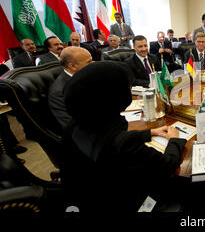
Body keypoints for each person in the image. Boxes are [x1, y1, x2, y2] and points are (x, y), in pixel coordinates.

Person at [62, 61, 186, 212]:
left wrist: (149, 133)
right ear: (113, 95)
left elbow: (110, 138)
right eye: (127, 86)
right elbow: (168, 165)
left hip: (91, 199)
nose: (130, 89)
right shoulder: (124, 143)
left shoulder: (75, 124)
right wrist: (175, 139)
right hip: (130, 203)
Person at [48, 47, 93, 129]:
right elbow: (70, 124)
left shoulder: (89, 75)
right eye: (89, 62)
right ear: (72, 66)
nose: (93, 64)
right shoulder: (59, 91)